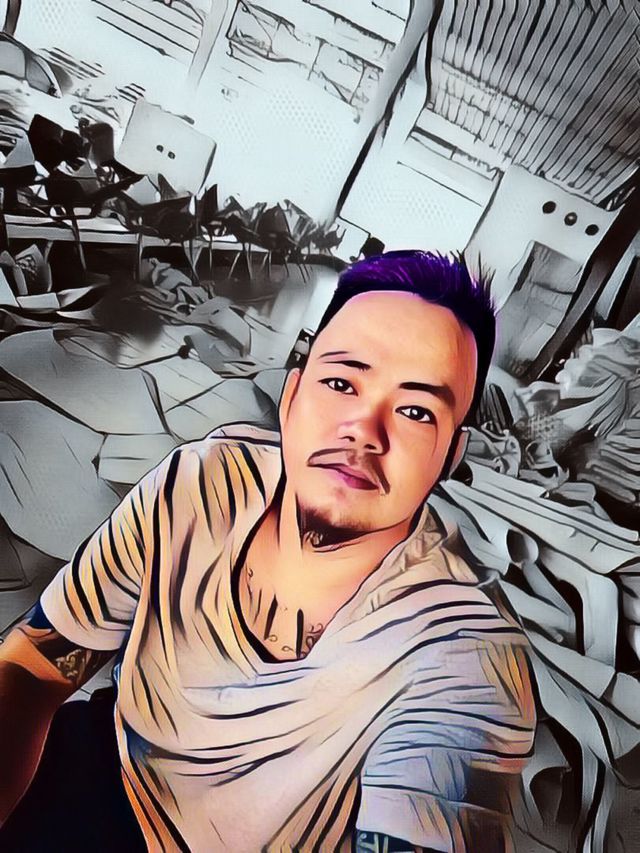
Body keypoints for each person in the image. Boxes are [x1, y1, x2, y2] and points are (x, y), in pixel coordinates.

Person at [0, 251, 535, 852]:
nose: (364, 430)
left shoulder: (463, 660)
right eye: (341, 383)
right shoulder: (200, 485)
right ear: (292, 393)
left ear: (451, 456)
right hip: (107, 761)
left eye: (415, 411)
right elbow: (40, 662)